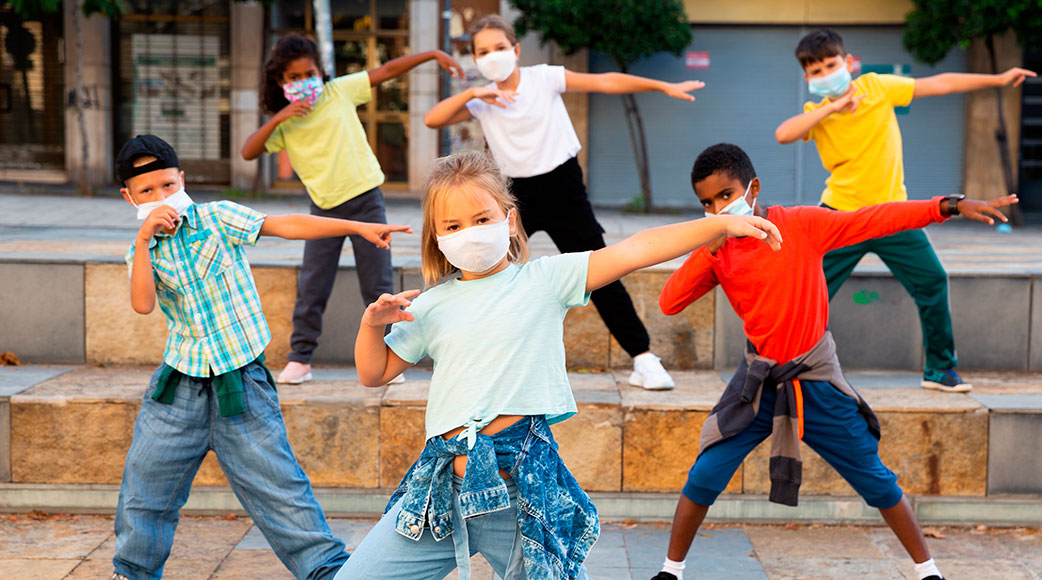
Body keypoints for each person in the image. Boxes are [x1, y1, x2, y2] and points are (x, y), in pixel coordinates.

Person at [335, 150, 782, 579]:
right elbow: (374, 373)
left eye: (481, 219)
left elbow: (635, 250)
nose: (469, 232)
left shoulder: (546, 280)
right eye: (453, 225)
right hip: (440, 490)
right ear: (437, 236)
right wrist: (371, 325)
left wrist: (720, 225)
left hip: (519, 488)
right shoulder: (429, 305)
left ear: (509, 220)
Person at [648, 143, 1016, 580]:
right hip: (758, 383)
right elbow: (669, 302)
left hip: (816, 382)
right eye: (707, 203)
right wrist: (709, 244)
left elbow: (875, 219)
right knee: (705, 474)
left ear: (753, 188)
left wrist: (949, 205)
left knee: (876, 481)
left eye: (726, 196)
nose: (718, 208)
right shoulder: (719, 249)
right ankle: (671, 572)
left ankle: (928, 571)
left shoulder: (802, 224)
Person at [110, 134, 410, 580]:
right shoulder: (142, 250)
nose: (161, 198)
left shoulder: (217, 218)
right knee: (143, 492)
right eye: (147, 192)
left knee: (281, 491)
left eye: (168, 186)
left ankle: (328, 572)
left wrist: (356, 227)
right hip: (178, 390)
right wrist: (143, 234)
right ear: (129, 197)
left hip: (241, 387)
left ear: (182, 180)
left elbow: (288, 224)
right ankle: (131, 572)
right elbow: (142, 304)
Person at [423, 14, 707, 390]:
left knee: (601, 269)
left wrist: (661, 85)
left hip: (563, 188)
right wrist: (474, 92)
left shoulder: (544, 77)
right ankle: (467, 355)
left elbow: (604, 81)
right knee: (482, 266)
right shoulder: (481, 100)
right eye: (483, 52)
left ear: (516, 49)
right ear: (475, 60)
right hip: (512, 196)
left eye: (500, 48)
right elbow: (431, 119)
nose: (492, 56)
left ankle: (643, 357)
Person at [775, 29, 1036, 392]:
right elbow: (783, 134)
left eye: (831, 65)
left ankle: (939, 370)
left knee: (932, 280)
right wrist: (832, 107)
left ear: (848, 63)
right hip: (840, 217)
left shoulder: (876, 87)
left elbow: (941, 83)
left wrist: (998, 78)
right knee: (809, 292)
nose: (824, 74)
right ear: (807, 78)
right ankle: (788, 365)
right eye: (815, 71)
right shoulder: (815, 113)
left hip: (894, 216)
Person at [241, 34, 463, 385]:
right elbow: (248, 151)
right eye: (294, 78)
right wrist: (280, 117)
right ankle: (300, 358)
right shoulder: (285, 123)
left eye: (309, 73)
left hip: (365, 202)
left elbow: (388, 69)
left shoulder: (338, 91)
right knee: (313, 285)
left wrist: (434, 53)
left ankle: (390, 355)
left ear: (320, 71)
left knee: (377, 283)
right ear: (281, 82)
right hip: (324, 211)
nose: (303, 82)